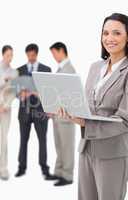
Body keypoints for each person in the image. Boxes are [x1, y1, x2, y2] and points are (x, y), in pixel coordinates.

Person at [57, 13, 128, 199]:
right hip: (86, 149)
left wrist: (85, 123)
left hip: (112, 153)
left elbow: (124, 121)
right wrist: (70, 110)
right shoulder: (95, 67)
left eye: (116, 33)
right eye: (105, 33)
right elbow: (87, 108)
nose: (109, 38)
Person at [15, 44, 54, 180]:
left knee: (43, 140)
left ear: (36, 54)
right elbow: (15, 91)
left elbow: (50, 92)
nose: (30, 58)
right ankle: (21, 167)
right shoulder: (19, 70)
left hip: (41, 111)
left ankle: (45, 169)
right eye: (28, 55)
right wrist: (21, 94)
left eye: (33, 55)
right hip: (24, 112)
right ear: (26, 54)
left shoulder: (46, 69)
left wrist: (40, 94)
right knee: (23, 141)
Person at [49, 42, 76, 186]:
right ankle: (59, 171)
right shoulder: (60, 69)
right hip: (57, 115)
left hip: (66, 116)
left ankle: (68, 175)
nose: (53, 56)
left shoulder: (69, 69)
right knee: (59, 145)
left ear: (61, 51)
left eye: (54, 53)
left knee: (67, 146)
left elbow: (71, 94)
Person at [0, 45, 18, 180]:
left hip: (5, 110)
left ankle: (3, 168)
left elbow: (13, 93)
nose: (10, 58)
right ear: (2, 55)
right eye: (7, 55)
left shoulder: (14, 73)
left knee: (3, 138)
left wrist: (5, 105)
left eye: (11, 55)